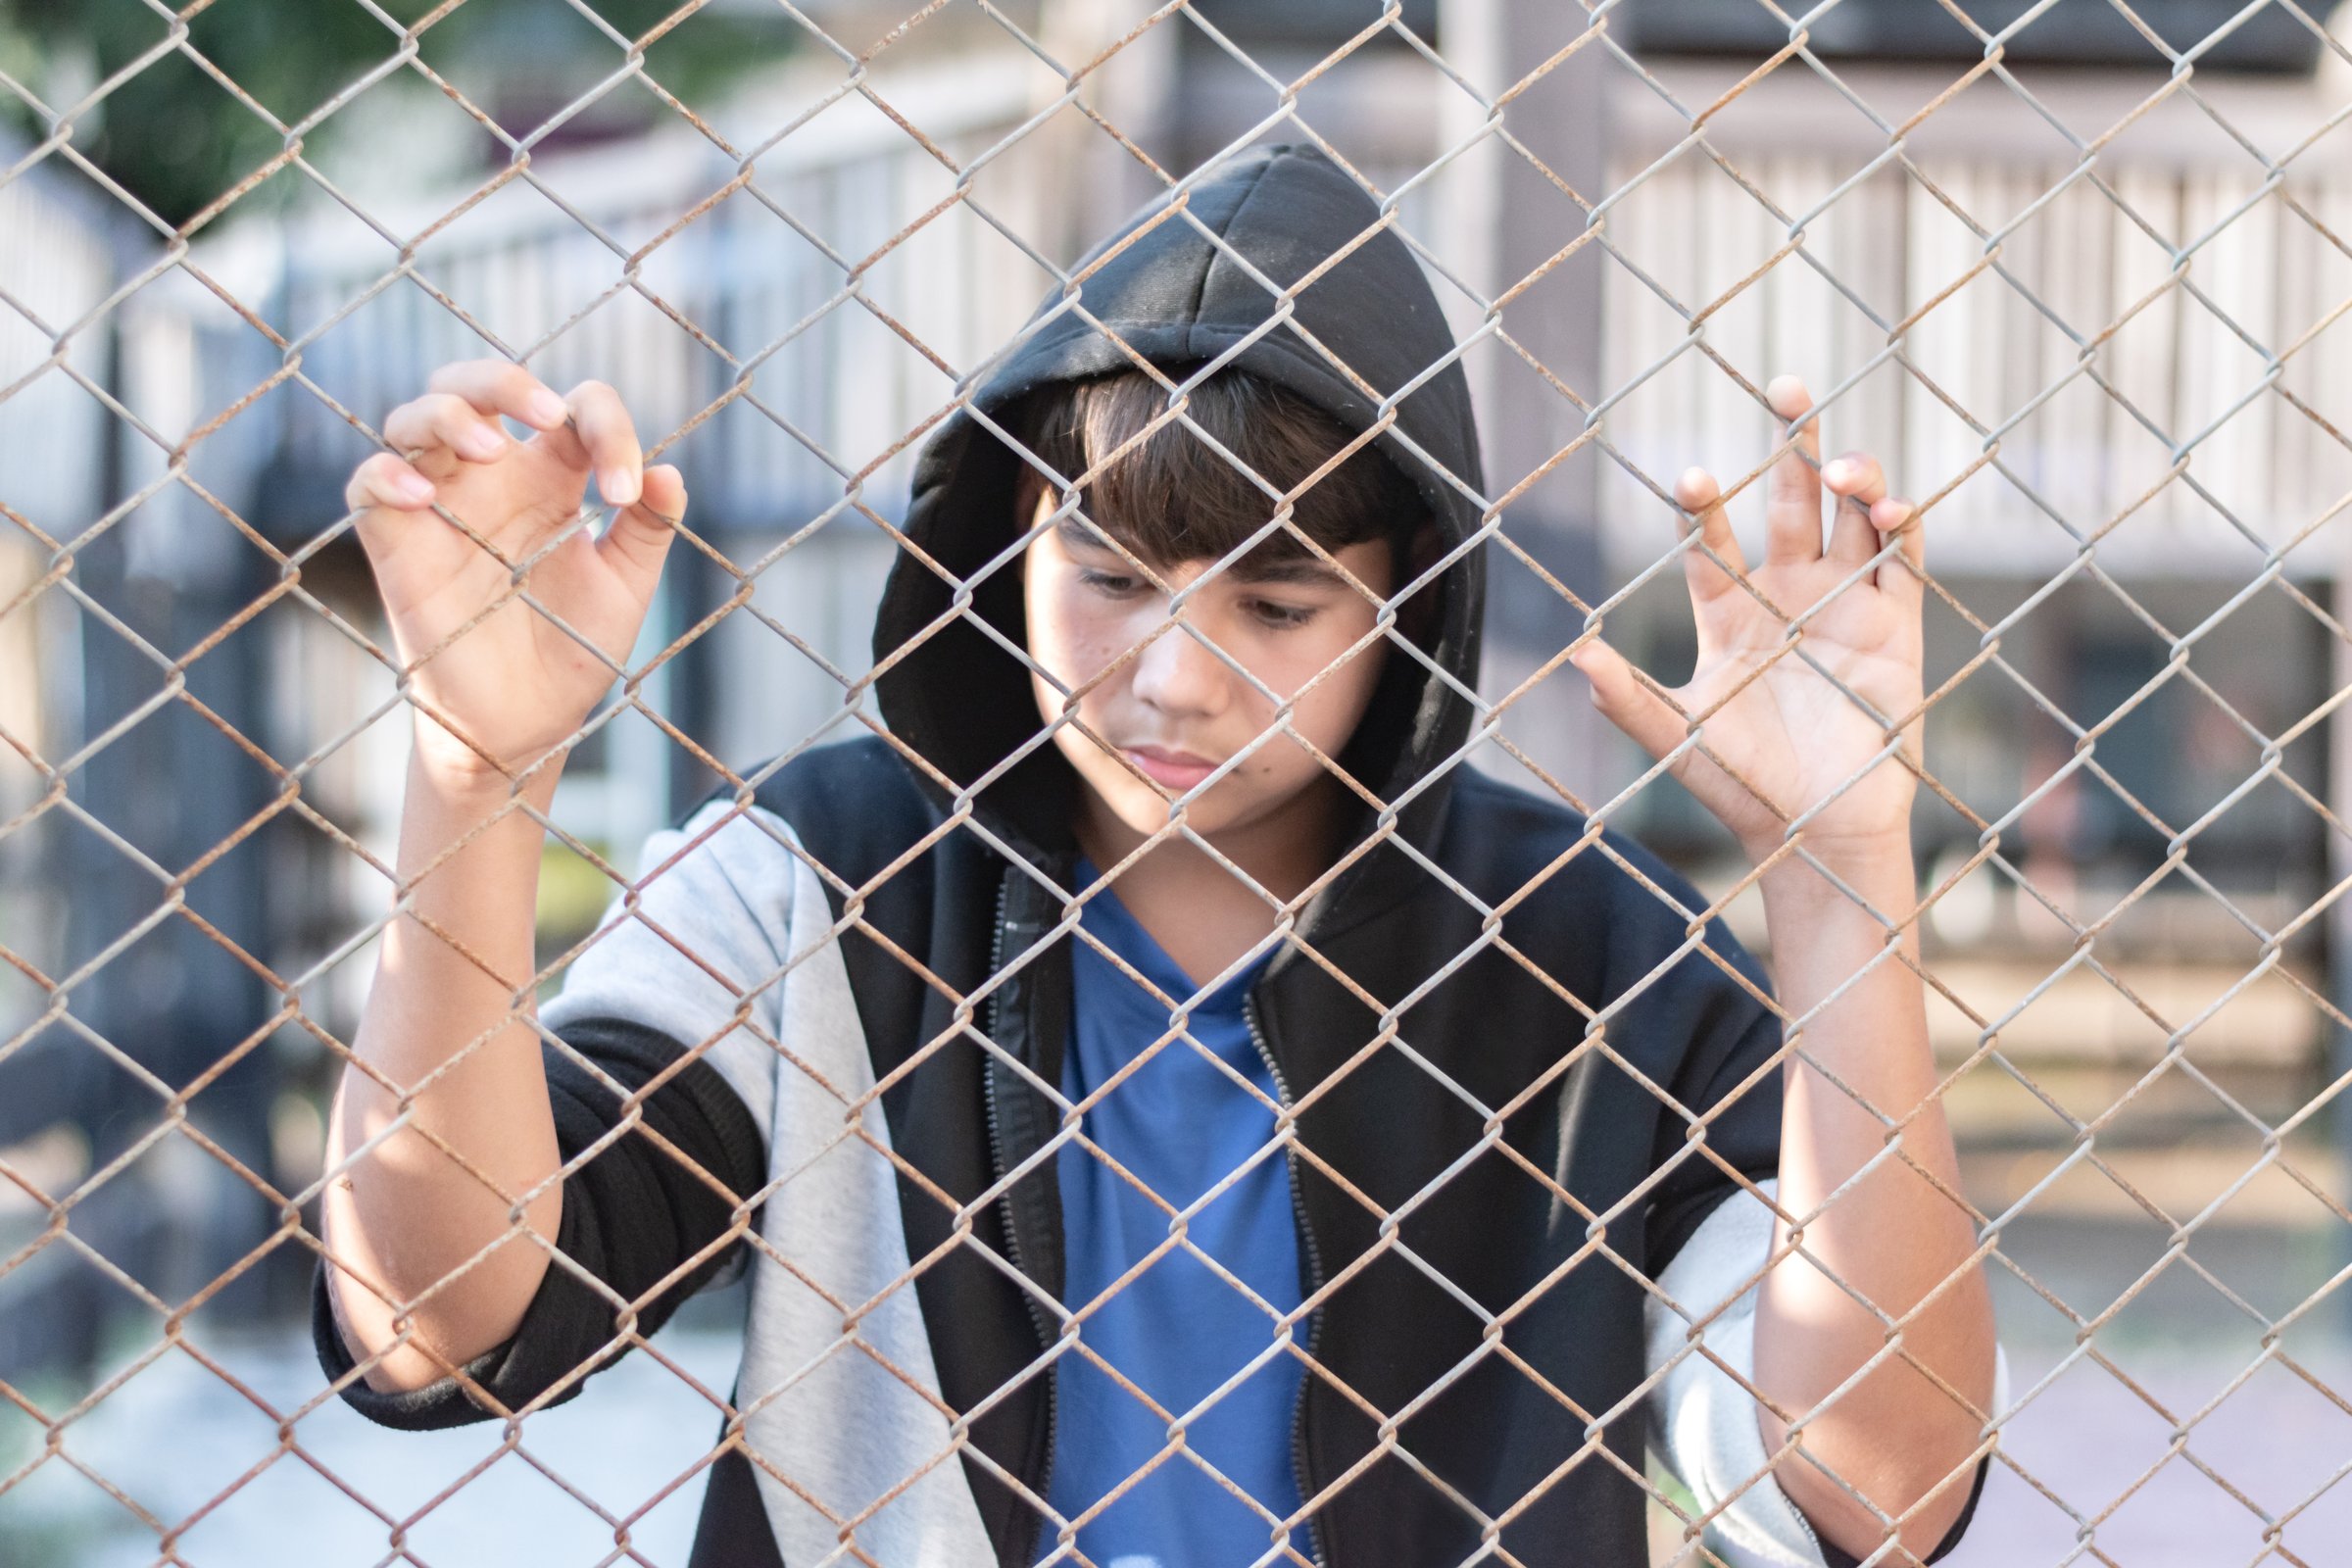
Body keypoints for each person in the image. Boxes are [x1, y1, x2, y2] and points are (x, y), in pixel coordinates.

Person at [317, 144, 2000, 1567]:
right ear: (1009, 540)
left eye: (1275, 604)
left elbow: (1879, 1489)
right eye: (1109, 577)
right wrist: (476, 774)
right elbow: (439, 1322)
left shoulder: (1590, 948)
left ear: (1406, 612)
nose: (1172, 677)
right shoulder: (819, 883)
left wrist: (1842, 876)